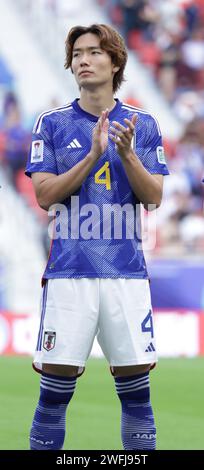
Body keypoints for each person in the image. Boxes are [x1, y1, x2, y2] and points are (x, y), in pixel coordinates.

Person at [25, 23, 169, 451]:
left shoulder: (142, 125)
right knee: (53, 394)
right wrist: (91, 156)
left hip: (126, 275)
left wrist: (125, 155)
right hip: (70, 274)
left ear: (115, 61)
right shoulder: (52, 123)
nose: (83, 60)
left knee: (137, 395)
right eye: (77, 55)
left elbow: (154, 197)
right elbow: (45, 196)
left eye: (93, 52)